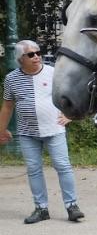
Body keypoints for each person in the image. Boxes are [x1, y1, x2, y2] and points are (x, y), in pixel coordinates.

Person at [0, 40, 84, 224]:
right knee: (34, 170)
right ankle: (41, 208)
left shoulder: (53, 73)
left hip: (54, 129)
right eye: (31, 54)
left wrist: (71, 116)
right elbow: (7, 106)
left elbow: (73, 94)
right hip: (27, 133)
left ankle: (72, 206)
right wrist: (1, 130)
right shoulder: (12, 79)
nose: (36, 56)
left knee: (63, 167)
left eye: (38, 52)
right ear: (20, 59)